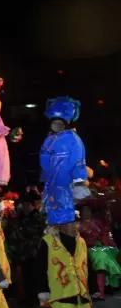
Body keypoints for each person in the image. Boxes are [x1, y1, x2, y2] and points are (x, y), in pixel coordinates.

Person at [35, 215, 94, 308]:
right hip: (59, 291)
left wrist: (91, 287)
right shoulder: (47, 242)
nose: (75, 226)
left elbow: (87, 265)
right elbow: (39, 268)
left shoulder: (81, 241)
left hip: (80, 290)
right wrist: (43, 290)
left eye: (76, 222)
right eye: (71, 223)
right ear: (61, 225)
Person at [40, 96, 89, 227]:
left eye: (59, 122)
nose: (57, 125)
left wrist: (79, 182)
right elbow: (44, 161)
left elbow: (79, 161)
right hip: (52, 186)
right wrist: (46, 177)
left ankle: (64, 233)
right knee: (52, 215)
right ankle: (53, 233)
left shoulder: (73, 139)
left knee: (65, 216)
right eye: (54, 122)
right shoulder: (49, 140)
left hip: (66, 186)